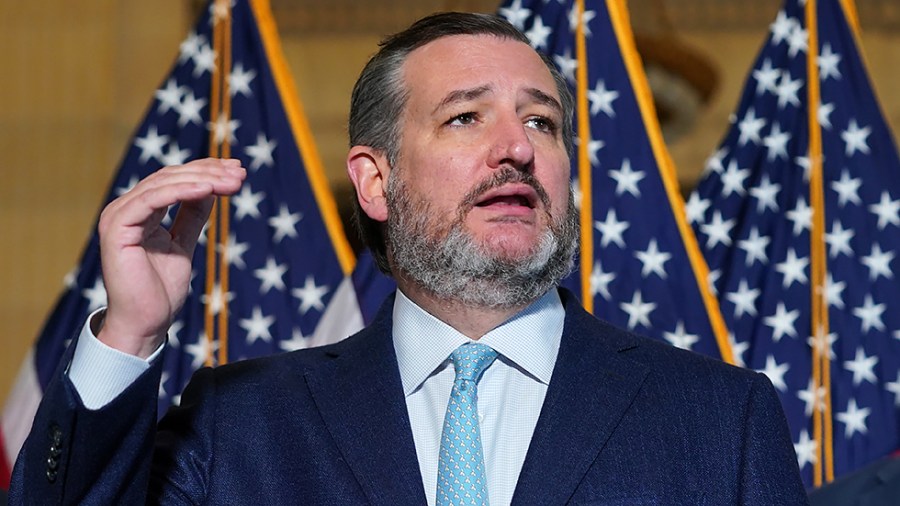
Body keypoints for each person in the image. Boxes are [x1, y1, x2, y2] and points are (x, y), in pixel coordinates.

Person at [11, 12, 808, 505]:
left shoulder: (721, 421)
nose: (516, 149)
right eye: (466, 118)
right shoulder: (240, 423)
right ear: (376, 180)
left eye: (542, 123)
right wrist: (128, 336)